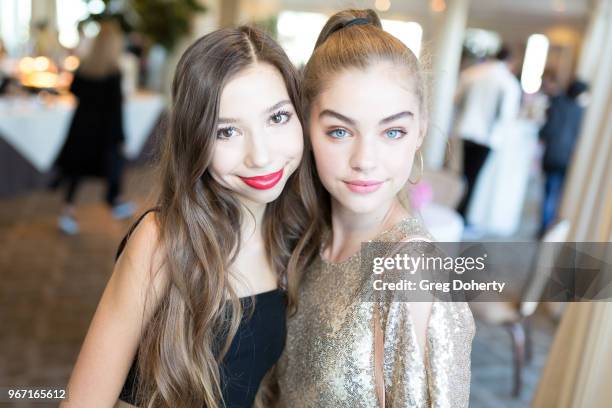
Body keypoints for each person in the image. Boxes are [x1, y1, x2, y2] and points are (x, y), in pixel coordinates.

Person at [61, 25, 314, 408]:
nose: (260, 155)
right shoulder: (162, 240)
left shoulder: (293, 236)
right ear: (195, 139)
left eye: (277, 118)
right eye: (226, 131)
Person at [275, 9, 475, 407]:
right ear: (307, 129)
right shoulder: (307, 241)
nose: (365, 159)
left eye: (392, 131)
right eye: (339, 131)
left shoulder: (414, 276)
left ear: (419, 131)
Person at [53, 20, 135, 234]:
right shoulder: (114, 73)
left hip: (81, 128)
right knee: (113, 165)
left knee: (76, 171)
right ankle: (114, 200)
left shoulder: (84, 67)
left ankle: (67, 212)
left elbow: (73, 90)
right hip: (104, 131)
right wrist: (121, 138)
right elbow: (116, 111)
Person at [453, 45, 521, 221]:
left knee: (464, 174)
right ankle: (462, 215)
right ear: (510, 61)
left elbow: (456, 99)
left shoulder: (472, 73)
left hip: (466, 129)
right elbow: (507, 116)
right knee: (474, 177)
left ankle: (457, 211)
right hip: (487, 136)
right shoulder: (508, 82)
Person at [538, 79, 589, 237]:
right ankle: (551, 226)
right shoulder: (581, 112)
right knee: (559, 191)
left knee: (549, 191)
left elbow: (546, 131)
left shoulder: (557, 105)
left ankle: (545, 225)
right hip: (567, 157)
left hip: (552, 154)